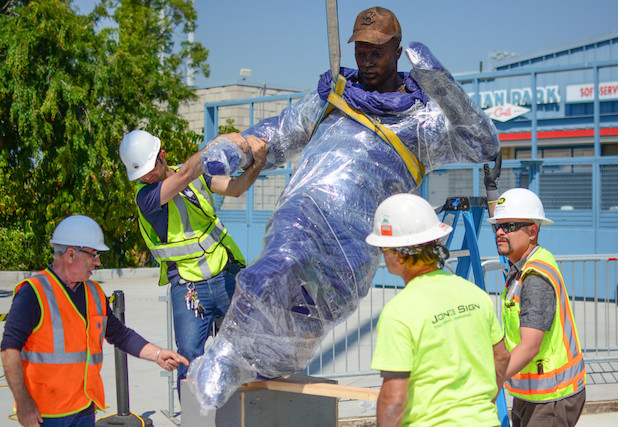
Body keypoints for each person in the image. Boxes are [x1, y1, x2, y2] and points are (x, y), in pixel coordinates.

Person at [187, 6, 501, 410]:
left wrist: (442, 86)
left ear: (398, 51)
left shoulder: (423, 121)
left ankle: (272, 361)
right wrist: (237, 149)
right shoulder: (335, 96)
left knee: (313, 312)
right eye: (361, 51)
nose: (367, 60)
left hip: (353, 246)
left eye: (377, 51)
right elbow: (277, 135)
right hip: (303, 211)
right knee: (270, 271)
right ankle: (230, 355)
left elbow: (484, 143)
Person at [0, 215, 188, 427]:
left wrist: (157, 354)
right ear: (71, 254)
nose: (98, 262)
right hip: (44, 414)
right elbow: (9, 349)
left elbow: (120, 334)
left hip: (84, 409)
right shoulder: (34, 292)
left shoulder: (94, 293)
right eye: (93, 255)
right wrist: (24, 402)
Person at [118, 130, 267, 393]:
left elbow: (234, 188)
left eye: (150, 168)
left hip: (226, 274)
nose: (146, 176)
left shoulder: (196, 176)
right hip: (189, 288)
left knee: (243, 350)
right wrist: (218, 144)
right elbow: (187, 173)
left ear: (162, 156)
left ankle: (243, 415)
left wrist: (258, 163)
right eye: (139, 173)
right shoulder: (146, 197)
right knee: (189, 357)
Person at [365, 193, 510, 426]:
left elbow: (393, 398)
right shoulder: (475, 295)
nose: (383, 254)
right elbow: (502, 356)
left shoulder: (400, 312)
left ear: (399, 256)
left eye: (385, 248)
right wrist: (480, 404)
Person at [484, 187, 586, 426]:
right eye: (496, 226)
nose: (499, 232)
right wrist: (492, 191)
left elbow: (530, 346)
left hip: (552, 397)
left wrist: (485, 382)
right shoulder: (522, 264)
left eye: (508, 226)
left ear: (532, 231)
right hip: (530, 392)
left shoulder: (535, 277)